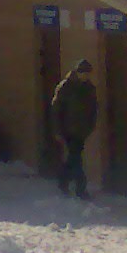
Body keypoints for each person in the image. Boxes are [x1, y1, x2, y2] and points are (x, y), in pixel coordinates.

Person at [50, 58, 98, 199]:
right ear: (77, 72)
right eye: (83, 73)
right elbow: (56, 109)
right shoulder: (66, 87)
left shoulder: (89, 88)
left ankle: (63, 180)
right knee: (76, 158)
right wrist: (58, 130)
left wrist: (90, 126)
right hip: (68, 129)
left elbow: (93, 109)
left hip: (82, 130)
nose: (86, 76)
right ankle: (81, 188)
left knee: (73, 158)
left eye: (88, 74)